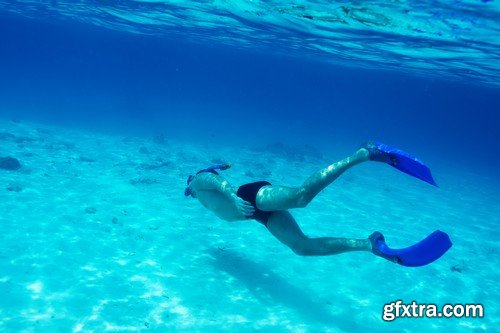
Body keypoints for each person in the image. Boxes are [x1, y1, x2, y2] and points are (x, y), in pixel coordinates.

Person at [184, 142, 452, 267]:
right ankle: (371, 245)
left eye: (188, 189)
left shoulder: (197, 180)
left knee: (301, 197)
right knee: (301, 247)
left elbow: (214, 179)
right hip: (255, 214)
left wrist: (232, 197)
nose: (190, 192)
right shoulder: (199, 194)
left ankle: (362, 154)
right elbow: (215, 175)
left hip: (250, 195)